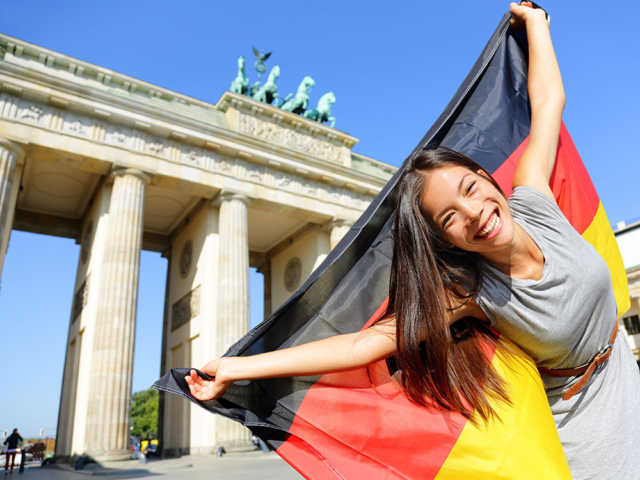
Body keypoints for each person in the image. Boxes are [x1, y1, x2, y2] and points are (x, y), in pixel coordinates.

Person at [185, 3, 640, 477]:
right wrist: (240, 368)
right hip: (583, 435)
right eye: (449, 217)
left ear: (485, 177)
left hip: (627, 385)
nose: (474, 213)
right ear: (445, 237)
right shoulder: (470, 292)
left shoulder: (535, 198)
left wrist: (537, 24)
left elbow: (547, 101)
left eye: (470, 189)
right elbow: (359, 347)